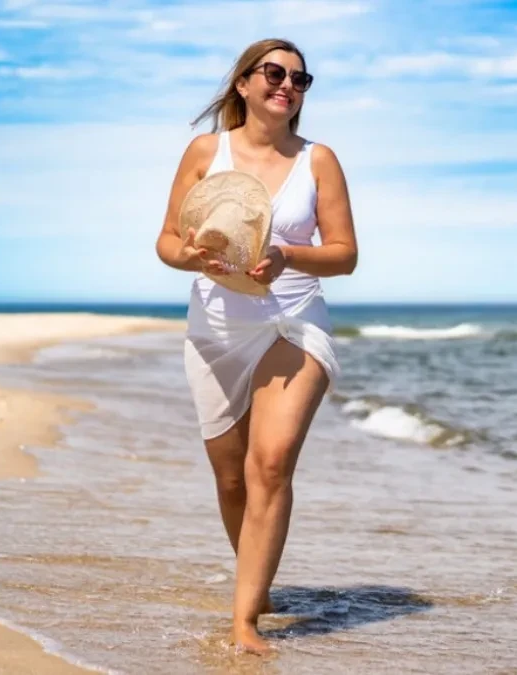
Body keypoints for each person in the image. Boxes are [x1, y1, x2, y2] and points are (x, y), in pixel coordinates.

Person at [153, 38, 358, 654]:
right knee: (231, 480)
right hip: (217, 328)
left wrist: (288, 255)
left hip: (293, 321)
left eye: (300, 78)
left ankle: (243, 621)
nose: (288, 85)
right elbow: (167, 241)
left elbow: (344, 254)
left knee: (269, 463)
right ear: (243, 83)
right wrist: (190, 256)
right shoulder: (205, 152)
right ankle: (258, 585)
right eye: (275, 73)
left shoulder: (318, 159)